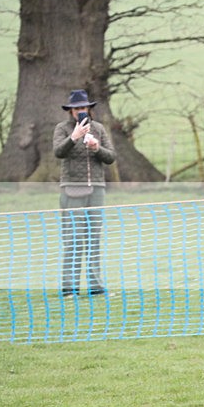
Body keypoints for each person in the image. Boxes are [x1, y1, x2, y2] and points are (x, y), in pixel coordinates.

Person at [53, 89, 115, 297]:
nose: (80, 111)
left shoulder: (98, 128)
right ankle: (69, 288)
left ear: (88, 108)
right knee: (73, 238)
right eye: (76, 108)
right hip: (71, 189)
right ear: (70, 111)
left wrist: (97, 148)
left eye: (83, 107)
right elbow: (58, 152)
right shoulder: (62, 129)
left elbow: (110, 157)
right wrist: (74, 138)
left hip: (96, 189)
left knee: (93, 238)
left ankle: (96, 287)